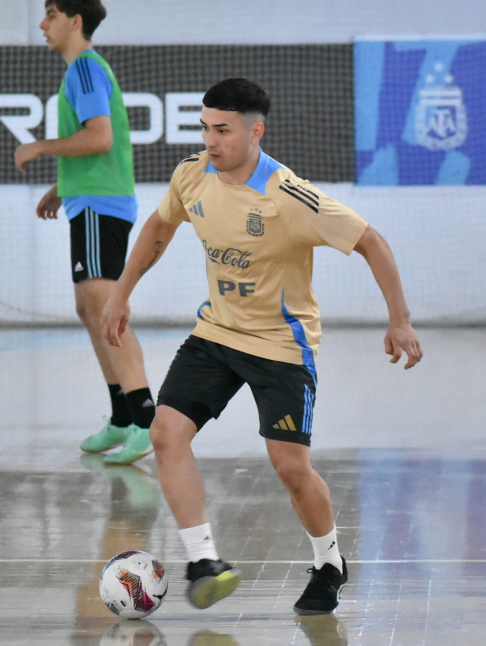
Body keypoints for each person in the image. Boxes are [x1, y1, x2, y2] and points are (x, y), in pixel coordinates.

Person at [101, 78, 423, 614]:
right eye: (205, 127)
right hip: (216, 335)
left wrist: (400, 321)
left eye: (222, 130)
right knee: (165, 433)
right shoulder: (192, 175)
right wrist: (121, 293)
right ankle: (203, 561)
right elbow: (159, 227)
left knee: (291, 469)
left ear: (256, 131)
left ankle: (330, 562)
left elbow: (371, 242)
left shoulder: (290, 196)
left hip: (281, 348)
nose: (210, 140)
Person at [14, 0, 155, 465]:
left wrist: (41, 147)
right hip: (88, 200)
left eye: (50, 15)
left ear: (74, 21)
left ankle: (145, 419)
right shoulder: (80, 72)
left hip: (102, 204)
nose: (43, 25)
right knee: (87, 307)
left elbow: (99, 137)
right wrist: (62, 187)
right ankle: (121, 416)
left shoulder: (87, 68)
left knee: (105, 308)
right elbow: (96, 144)